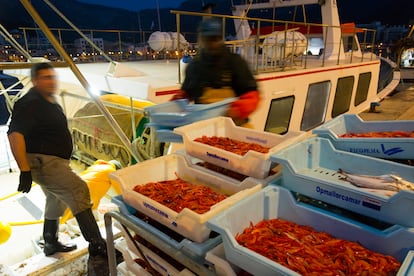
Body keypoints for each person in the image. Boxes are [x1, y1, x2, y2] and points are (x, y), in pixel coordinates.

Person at [7, 62, 108, 258]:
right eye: (45, 77)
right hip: (44, 162)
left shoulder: (47, 100)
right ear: (35, 81)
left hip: (52, 161)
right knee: (79, 190)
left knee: (55, 198)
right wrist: (24, 170)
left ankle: (51, 242)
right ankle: (97, 246)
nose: (51, 81)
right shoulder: (30, 103)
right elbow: (15, 135)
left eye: (52, 77)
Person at [173, 17, 260, 126]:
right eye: (208, 39)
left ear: (221, 39)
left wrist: (238, 109)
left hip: (235, 126)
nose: (212, 43)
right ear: (201, 40)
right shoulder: (194, 66)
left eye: (215, 39)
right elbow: (186, 94)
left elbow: (253, 96)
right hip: (205, 129)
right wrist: (175, 104)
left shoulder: (236, 62)